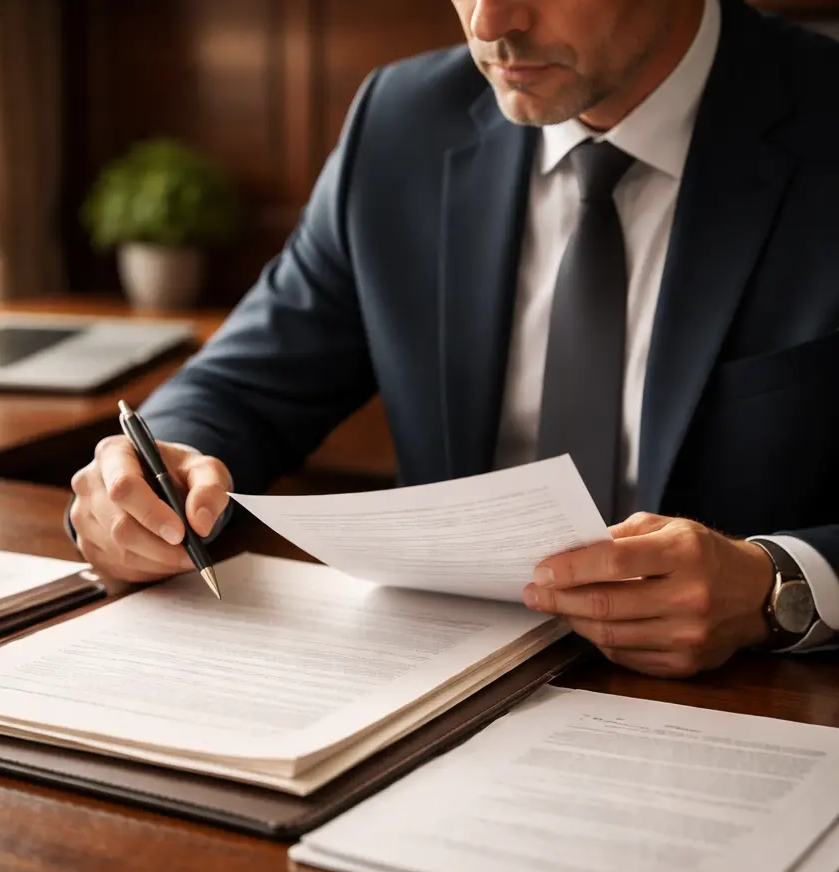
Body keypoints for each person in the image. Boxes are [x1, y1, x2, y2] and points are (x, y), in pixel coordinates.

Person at [69, 0, 839, 677]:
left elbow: (784, 581)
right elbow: (244, 384)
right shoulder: (403, 121)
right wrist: (150, 479)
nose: (489, 25)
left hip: (755, 702)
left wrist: (775, 587)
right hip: (440, 687)